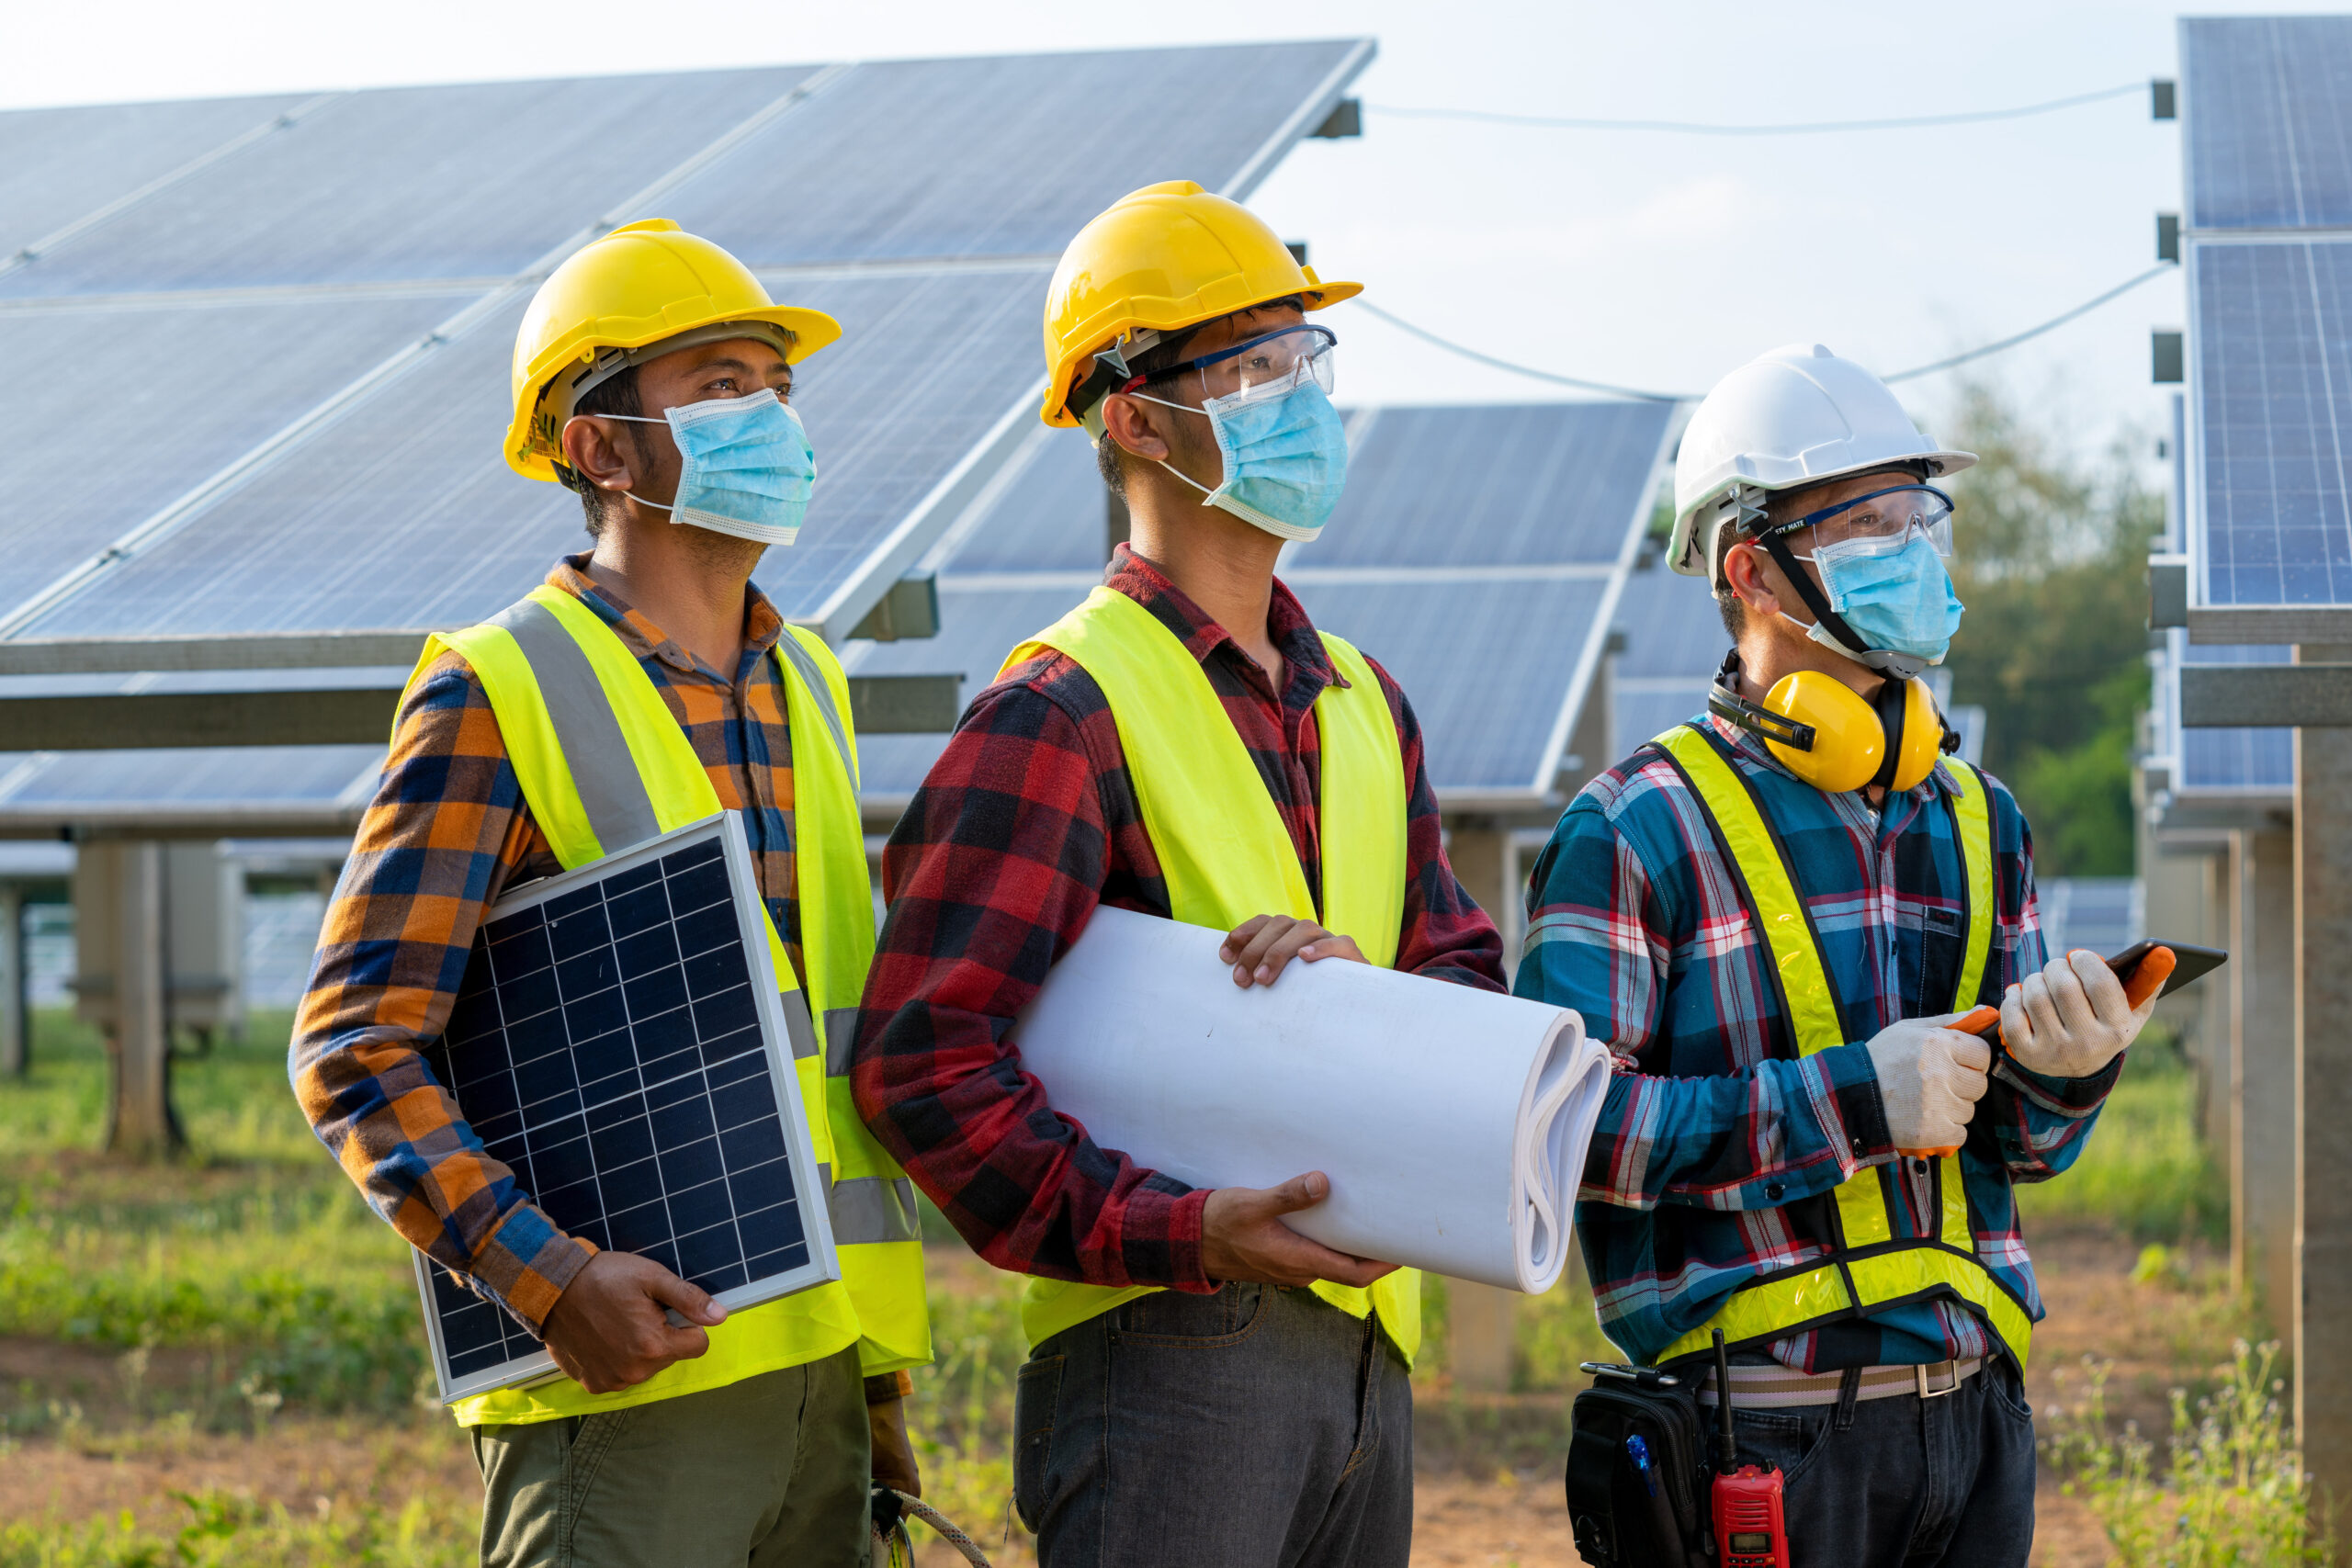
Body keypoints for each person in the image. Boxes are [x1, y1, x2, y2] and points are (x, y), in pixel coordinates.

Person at [850, 181, 1507, 1568]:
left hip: (1362, 1352)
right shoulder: (1057, 710)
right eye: (1252, 368)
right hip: (1166, 1352)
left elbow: (1458, 975)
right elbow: (922, 1064)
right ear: (1135, 419)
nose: (1300, 400)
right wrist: (1184, 1231)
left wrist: (1370, 1005)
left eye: (1303, 361)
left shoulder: (1364, 703)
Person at [290, 220, 928, 1568]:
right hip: (625, 1383)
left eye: (776, 385)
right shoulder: (499, 686)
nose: (768, 417)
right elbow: (354, 1047)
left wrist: (868, 1385)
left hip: (820, 1373)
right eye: (718, 386)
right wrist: (551, 1280)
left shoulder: (808, 682)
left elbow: (808, 1049)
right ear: (600, 448)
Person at [1517, 342, 2159, 1564]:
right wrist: (1854, 1101)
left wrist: (2071, 1074)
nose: (1917, 550)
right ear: (1753, 570)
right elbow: (1564, 1139)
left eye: (1923, 517)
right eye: (1871, 525)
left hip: (1977, 1425)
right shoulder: (1637, 827)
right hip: (1758, 1438)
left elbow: (2019, 1149)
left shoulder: (1982, 817)